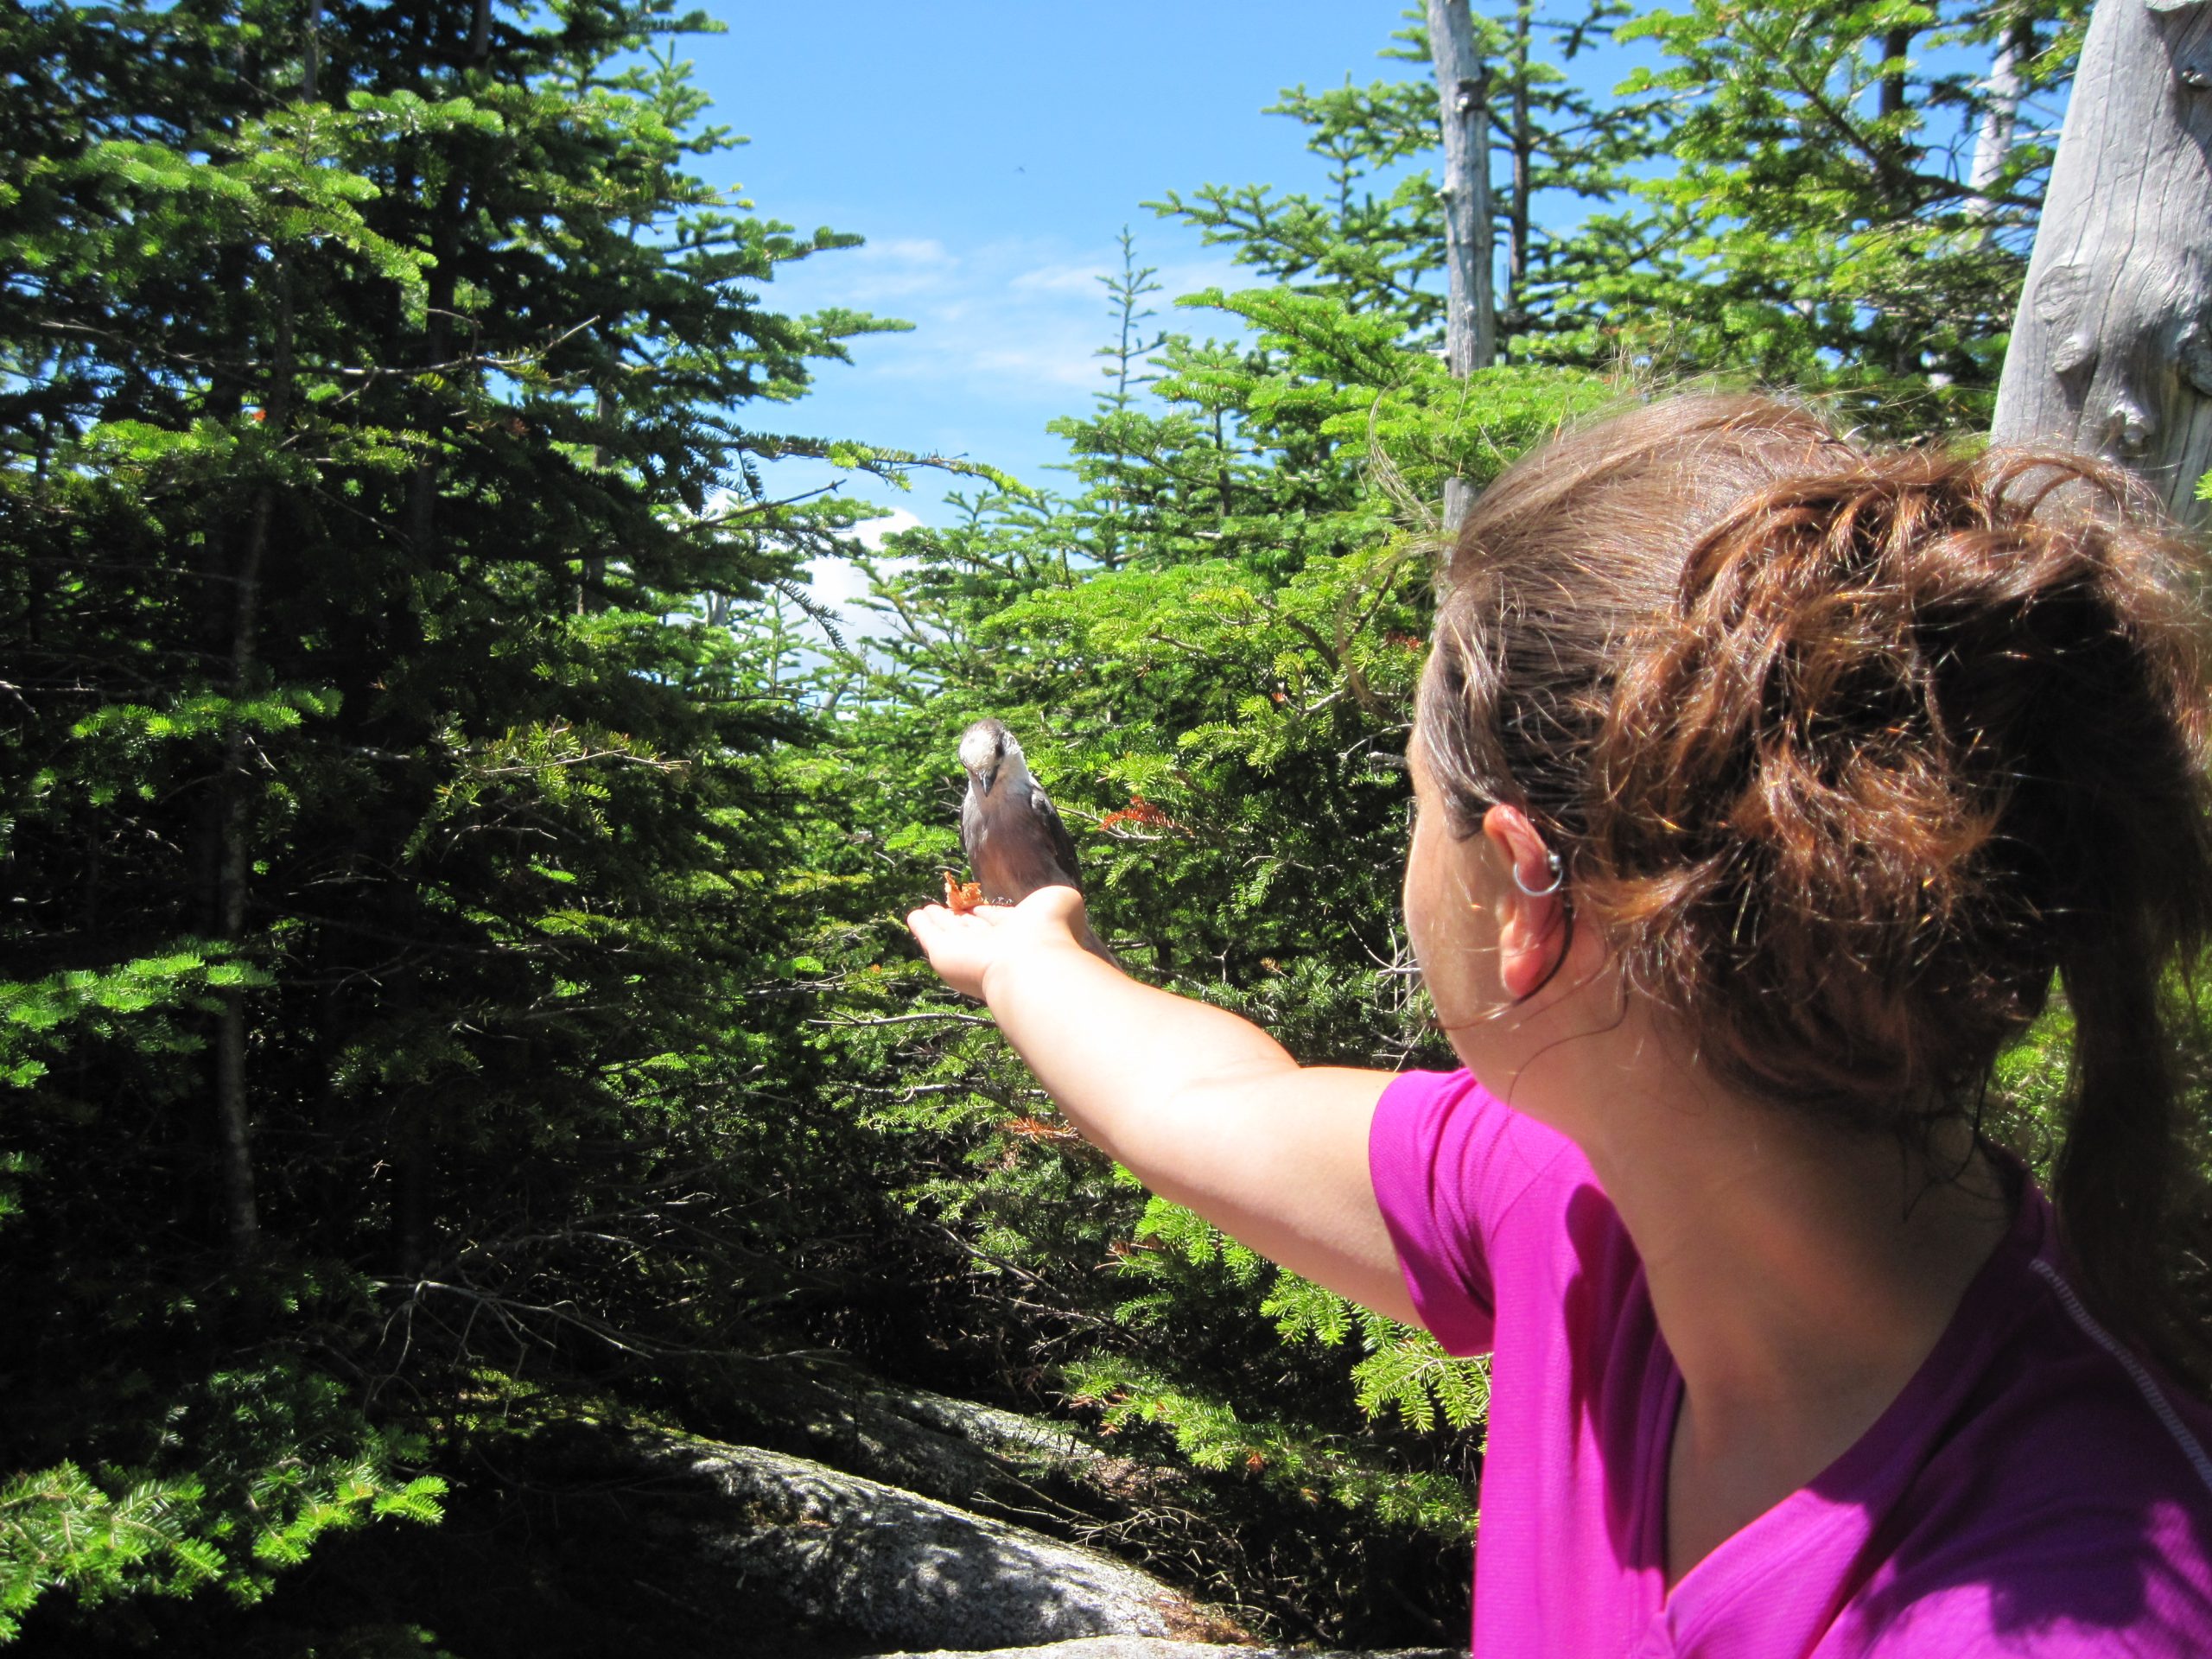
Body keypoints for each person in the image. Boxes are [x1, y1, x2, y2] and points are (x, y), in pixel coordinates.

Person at [906, 394, 2212, 1655]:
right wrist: (1030, 953)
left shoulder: (2051, 1601)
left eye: (1417, 803)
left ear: (1527, 891)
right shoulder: (1597, 1186)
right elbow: (1196, 1103)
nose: (1407, 856)